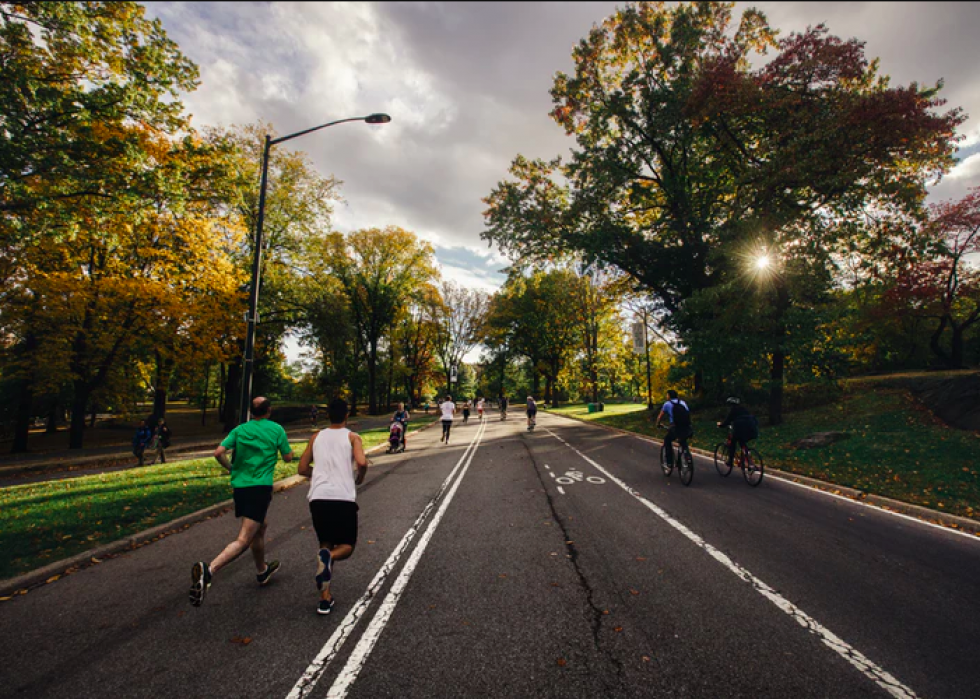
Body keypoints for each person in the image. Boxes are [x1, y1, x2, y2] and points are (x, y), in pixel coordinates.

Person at [188, 396, 293, 607]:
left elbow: (218, 452)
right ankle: (209, 571)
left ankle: (262, 571)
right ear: (269, 410)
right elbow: (288, 458)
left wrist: (231, 468)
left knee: (260, 527)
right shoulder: (276, 429)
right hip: (259, 488)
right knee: (244, 538)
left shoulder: (240, 430)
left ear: (251, 412)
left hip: (240, 488)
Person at [297, 398, 368, 615]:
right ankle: (331, 559)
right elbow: (362, 462)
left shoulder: (316, 437)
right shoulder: (352, 437)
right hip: (342, 497)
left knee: (325, 544)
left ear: (328, 415)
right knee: (346, 546)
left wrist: (317, 475)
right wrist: (359, 477)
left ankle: (324, 599)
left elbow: (301, 468)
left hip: (318, 497)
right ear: (347, 415)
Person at [717, 396, 760, 467]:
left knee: (733, 443)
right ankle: (746, 459)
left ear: (731, 404)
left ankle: (730, 461)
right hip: (751, 430)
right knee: (742, 442)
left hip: (740, 430)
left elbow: (727, 421)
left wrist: (720, 425)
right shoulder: (744, 409)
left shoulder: (733, 411)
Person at [656, 389, 692, 466]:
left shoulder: (667, 404)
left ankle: (669, 462)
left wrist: (658, 424)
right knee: (683, 441)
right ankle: (687, 457)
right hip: (686, 427)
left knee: (667, 440)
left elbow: (660, 417)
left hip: (675, 427)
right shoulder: (683, 402)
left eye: (667, 395)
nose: (666, 396)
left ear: (669, 396)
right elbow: (688, 414)